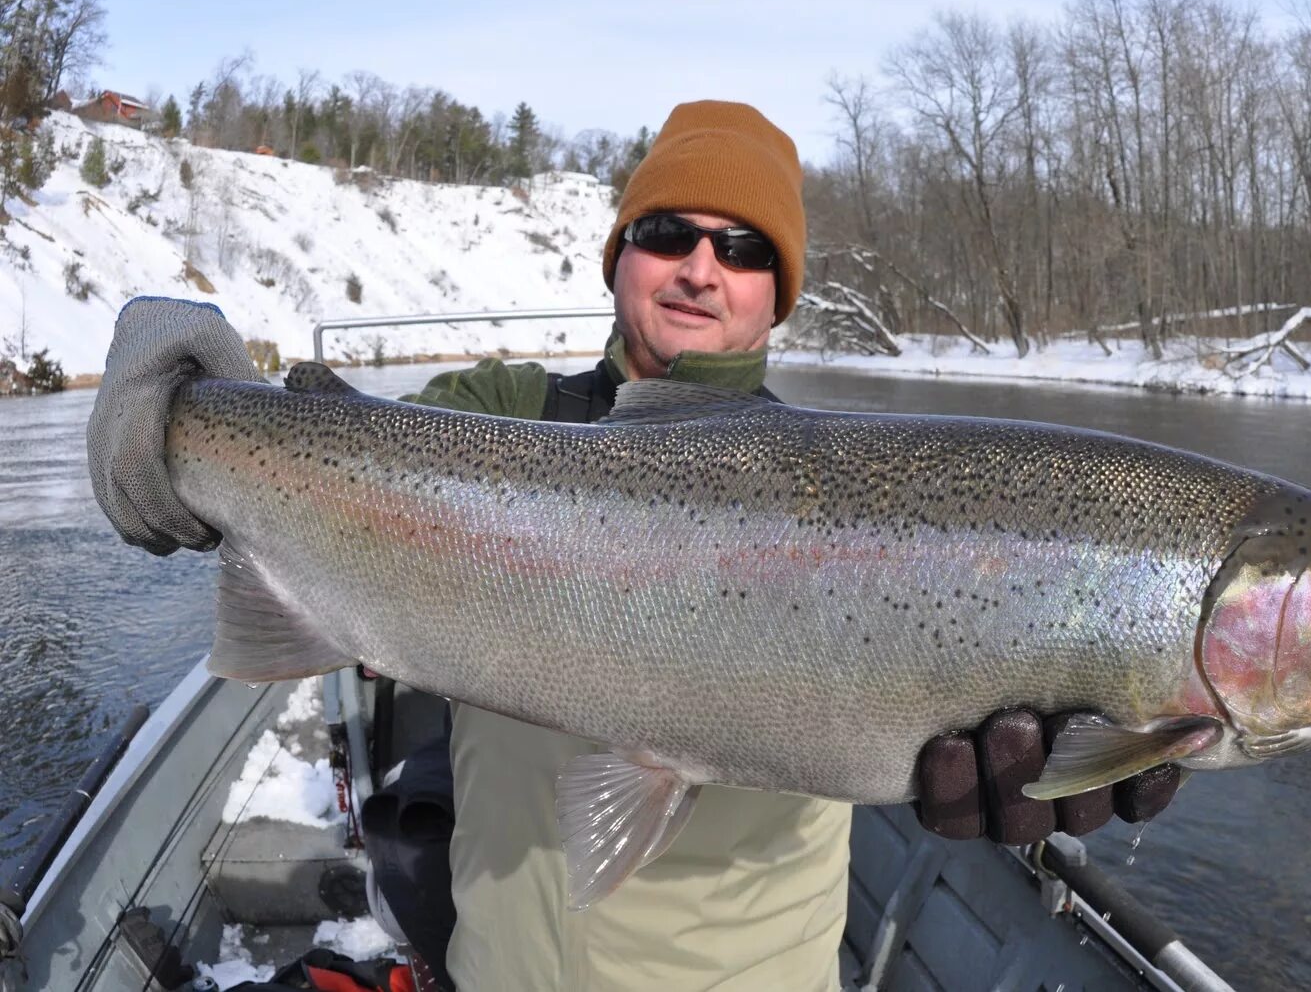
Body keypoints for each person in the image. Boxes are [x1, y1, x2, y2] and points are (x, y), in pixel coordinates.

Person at [86, 100, 1179, 991]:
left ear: (776, 294)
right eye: (669, 233)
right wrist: (182, 416)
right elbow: (325, 451)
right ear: (619, 256)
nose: (701, 266)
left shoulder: (860, 496)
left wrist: (1051, 771)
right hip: (495, 966)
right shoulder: (498, 414)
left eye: (743, 247)